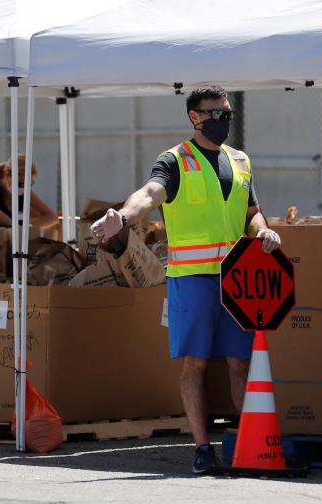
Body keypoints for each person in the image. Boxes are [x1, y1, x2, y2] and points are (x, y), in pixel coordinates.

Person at [90, 85, 280, 475]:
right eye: (216, 113)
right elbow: (149, 194)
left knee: (240, 363)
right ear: (195, 117)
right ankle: (202, 448)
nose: (224, 119)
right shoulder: (176, 160)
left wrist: (263, 230)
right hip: (192, 279)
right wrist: (122, 218)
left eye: (227, 112)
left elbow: (252, 211)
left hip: (236, 279)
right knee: (194, 363)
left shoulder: (240, 160)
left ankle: (247, 445)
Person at [0, 155, 57, 228]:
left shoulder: (25, 191)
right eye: (20, 183)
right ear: (7, 175)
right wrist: (16, 227)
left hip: (13, 242)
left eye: (29, 184)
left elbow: (51, 216)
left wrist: (31, 228)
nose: (23, 187)